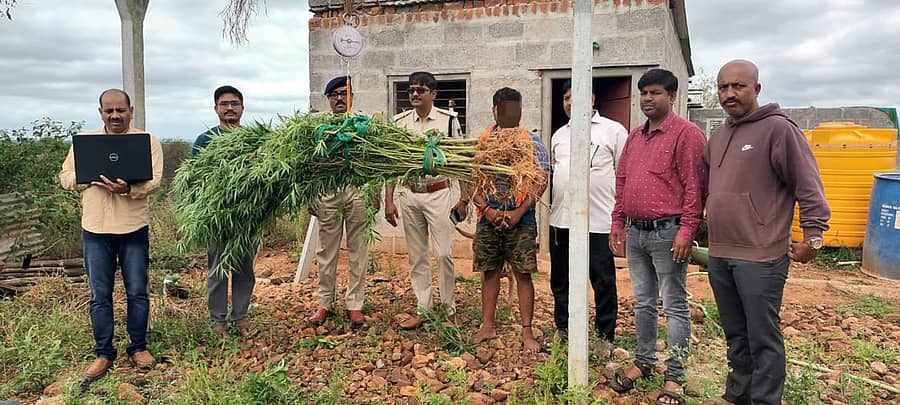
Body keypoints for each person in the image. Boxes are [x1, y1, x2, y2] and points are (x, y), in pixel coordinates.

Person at [705, 60, 830, 405]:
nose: (729, 93)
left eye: (738, 86)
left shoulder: (779, 130)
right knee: (736, 334)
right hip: (720, 253)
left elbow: (808, 185)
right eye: (723, 87)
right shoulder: (718, 137)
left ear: (756, 89)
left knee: (762, 337)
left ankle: (764, 400)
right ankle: (737, 395)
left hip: (761, 256)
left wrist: (814, 234)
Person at [608, 69, 707, 404]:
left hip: (668, 233)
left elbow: (695, 188)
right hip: (636, 232)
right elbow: (622, 181)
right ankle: (644, 361)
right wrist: (618, 222)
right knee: (644, 302)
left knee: (674, 304)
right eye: (644, 93)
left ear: (673, 96)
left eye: (656, 93)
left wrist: (687, 230)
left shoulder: (687, 135)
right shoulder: (636, 136)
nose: (648, 99)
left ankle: (675, 376)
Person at [59, 89, 163, 382]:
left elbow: (155, 180)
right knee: (100, 295)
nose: (115, 115)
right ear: (101, 112)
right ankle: (104, 353)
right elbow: (65, 176)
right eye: (109, 110)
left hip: (133, 228)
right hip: (95, 229)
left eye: (120, 110)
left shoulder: (147, 141)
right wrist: (87, 178)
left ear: (131, 111)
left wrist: (128, 189)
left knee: (137, 292)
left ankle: (138, 347)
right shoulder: (85, 143)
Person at [384, 71, 467, 329]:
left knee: (443, 254)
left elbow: (462, 161)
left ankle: (449, 309)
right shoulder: (399, 123)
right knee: (417, 256)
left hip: (438, 194)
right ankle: (424, 308)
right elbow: (392, 165)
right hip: (410, 195)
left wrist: (465, 199)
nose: (415, 94)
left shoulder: (448, 121)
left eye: (421, 90)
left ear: (433, 94)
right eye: (411, 90)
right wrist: (389, 200)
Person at [470, 87, 549, 353]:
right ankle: (487, 325)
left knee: (523, 273)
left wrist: (518, 212)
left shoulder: (533, 142)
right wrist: (487, 210)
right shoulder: (481, 143)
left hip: (522, 220)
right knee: (490, 272)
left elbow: (541, 180)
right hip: (487, 219)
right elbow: (471, 180)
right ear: (494, 111)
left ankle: (527, 330)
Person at [548, 80, 627, 343]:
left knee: (602, 279)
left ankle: (605, 335)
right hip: (562, 219)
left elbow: (623, 175)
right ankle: (564, 328)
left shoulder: (613, 131)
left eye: (577, 96)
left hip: (599, 221)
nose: (571, 102)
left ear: (592, 98)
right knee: (561, 279)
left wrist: (620, 219)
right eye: (566, 98)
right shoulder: (559, 136)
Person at [308, 76, 379, 327]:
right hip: (328, 192)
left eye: (344, 93)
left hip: (358, 191)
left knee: (359, 249)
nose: (340, 98)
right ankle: (325, 303)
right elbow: (310, 165)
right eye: (335, 94)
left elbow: (375, 161)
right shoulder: (318, 128)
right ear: (328, 99)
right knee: (326, 251)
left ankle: (355, 304)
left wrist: (375, 193)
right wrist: (310, 196)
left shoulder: (364, 125)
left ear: (352, 97)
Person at [192, 85, 258, 339]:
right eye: (224, 104)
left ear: (242, 108)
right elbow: (194, 179)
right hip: (216, 217)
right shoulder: (205, 141)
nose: (230, 108)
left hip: (247, 217)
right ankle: (218, 321)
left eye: (234, 104)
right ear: (216, 108)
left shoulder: (255, 139)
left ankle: (240, 317)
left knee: (244, 271)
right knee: (218, 270)